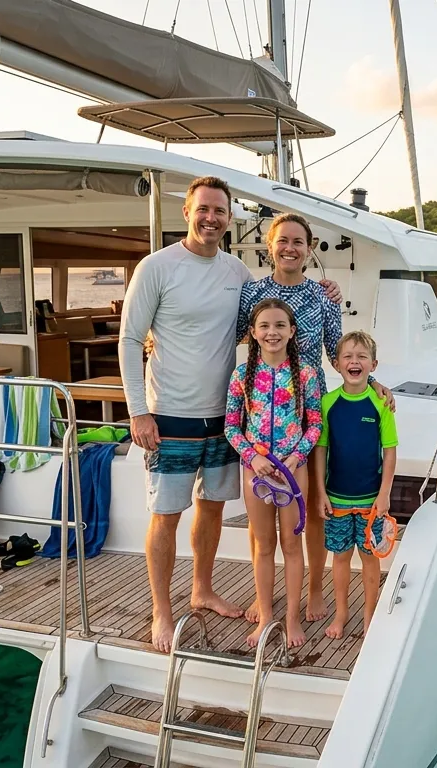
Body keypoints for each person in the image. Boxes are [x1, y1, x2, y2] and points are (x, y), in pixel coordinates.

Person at [119, 177, 339, 653]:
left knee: (212, 508)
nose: (212, 218)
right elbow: (131, 339)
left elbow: (275, 313)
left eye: (220, 211)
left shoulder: (238, 274)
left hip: (224, 419)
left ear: (229, 218)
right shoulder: (156, 267)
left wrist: (324, 291)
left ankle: (202, 588)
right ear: (187, 211)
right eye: (204, 209)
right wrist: (138, 411)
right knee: (165, 514)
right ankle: (162, 611)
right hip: (170, 414)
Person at [237, 212, 393, 623]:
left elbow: (336, 353)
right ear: (270, 245)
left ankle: (317, 588)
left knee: (311, 510)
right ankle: (264, 597)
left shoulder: (323, 297)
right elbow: (235, 337)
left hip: (309, 415)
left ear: (309, 249)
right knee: (264, 524)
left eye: (298, 242)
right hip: (262, 409)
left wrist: (372, 382)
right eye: (282, 240)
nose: (290, 248)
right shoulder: (251, 294)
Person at [225, 298, 323, 648]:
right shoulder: (242, 376)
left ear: (292, 331)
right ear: (252, 332)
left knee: (291, 544)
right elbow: (232, 428)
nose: (272, 332)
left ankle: (293, 617)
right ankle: (266, 615)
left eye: (280, 325)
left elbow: (315, 424)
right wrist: (252, 457)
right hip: (257, 473)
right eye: (264, 326)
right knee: (264, 545)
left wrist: (297, 457)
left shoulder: (306, 375)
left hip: (294, 471)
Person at [313, 331, 396, 640]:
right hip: (337, 499)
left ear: (373, 364)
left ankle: (369, 613)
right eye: (348, 356)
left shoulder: (381, 403)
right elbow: (321, 450)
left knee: (370, 557)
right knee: (341, 556)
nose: (354, 361)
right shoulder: (328, 403)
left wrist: (384, 493)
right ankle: (341, 613)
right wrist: (321, 492)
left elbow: (390, 451)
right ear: (336, 365)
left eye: (362, 356)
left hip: (371, 500)